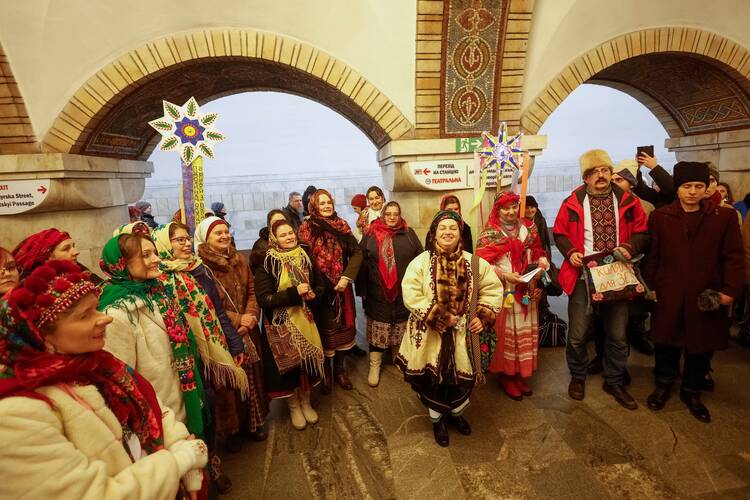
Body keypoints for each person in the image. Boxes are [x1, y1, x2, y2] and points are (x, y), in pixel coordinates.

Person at [0, 260, 208, 499]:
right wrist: (179, 461)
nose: (104, 318)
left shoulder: (101, 366)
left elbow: (154, 410)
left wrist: (181, 448)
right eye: (85, 315)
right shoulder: (15, 413)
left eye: (96, 308)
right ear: (40, 334)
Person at [152, 222, 249, 493]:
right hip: (181, 360)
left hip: (209, 353)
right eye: (177, 240)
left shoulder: (199, 270)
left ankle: (212, 462)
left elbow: (216, 311)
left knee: (210, 410)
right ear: (163, 245)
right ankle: (193, 474)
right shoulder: (157, 280)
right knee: (187, 417)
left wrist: (234, 344)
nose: (185, 244)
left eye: (186, 239)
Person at [643, 162, 744, 423]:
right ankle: (663, 384)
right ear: (677, 189)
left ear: (707, 188)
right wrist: (650, 286)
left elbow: (733, 257)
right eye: (687, 186)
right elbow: (653, 257)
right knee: (666, 342)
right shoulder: (661, 217)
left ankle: (692, 391)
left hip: (706, 293)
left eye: (699, 186)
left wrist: (731, 290)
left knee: (701, 346)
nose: (692, 192)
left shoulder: (724, 217)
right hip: (669, 291)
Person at [395, 210, 502, 447]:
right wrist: (440, 317)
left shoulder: (475, 263)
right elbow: (410, 293)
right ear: (434, 234)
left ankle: (456, 414)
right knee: (433, 381)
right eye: (442, 228)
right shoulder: (421, 262)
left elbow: (492, 290)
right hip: (429, 336)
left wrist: (484, 315)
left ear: (460, 234)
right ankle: (438, 420)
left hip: (464, 336)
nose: (447, 232)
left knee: (459, 380)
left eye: (453, 228)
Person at [553, 149, 648, 410]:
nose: (601, 175)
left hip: (616, 271)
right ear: (585, 177)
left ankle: (614, 380)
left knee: (618, 333)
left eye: (605, 170)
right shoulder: (572, 201)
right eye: (594, 172)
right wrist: (571, 252)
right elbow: (560, 233)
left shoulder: (628, 201)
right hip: (583, 273)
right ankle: (578, 376)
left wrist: (630, 246)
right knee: (578, 333)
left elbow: (642, 231)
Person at [99, 233, 209, 441]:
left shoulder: (157, 293)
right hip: (159, 415)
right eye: (146, 255)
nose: (156, 259)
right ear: (121, 264)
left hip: (181, 398)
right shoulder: (116, 313)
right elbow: (122, 383)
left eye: (155, 253)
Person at [195, 216, 269, 449]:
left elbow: (252, 290)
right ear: (206, 239)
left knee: (253, 376)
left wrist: (250, 317)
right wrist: (238, 320)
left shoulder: (238, 260)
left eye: (226, 231)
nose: (225, 236)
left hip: (248, 329)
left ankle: (254, 423)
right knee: (230, 384)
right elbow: (208, 304)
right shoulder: (201, 268)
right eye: (218, 233)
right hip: (224, 333)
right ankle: (233, 430)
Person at [254, 220, 326, 430]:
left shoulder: (304, 254)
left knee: (307, 365)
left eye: (291, 233)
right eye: (283, 235)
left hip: (307, 320)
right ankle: (294, 405)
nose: (289, 237)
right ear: (274, 238)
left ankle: (306, 401)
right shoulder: (267, 262)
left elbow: (319, 284)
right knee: (290, 368)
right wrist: (294, 293)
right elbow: (263, 298)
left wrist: (314, 294)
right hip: (281, 324)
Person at [476, 192, 548, 400]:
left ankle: (519, 374)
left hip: (526, 288)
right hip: (504, 290)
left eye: (513, 207)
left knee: (524, 332)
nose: (510, 212)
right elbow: (482, 263)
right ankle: (507, 376)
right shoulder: (489, 233)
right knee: (508, 334)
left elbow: (537, 251)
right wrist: (505, 274)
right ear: (497, 210)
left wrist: (542, 264)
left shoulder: (529, 229)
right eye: (505, 208)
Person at [298, 189, 363, 393]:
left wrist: (346, 276)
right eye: (322, 203)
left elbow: (357, 252)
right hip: (321, 290)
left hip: (341, 288)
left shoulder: (342, 225)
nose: (326, 206)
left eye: (329, 203)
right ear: (314, 206)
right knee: (324, 331)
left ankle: (340, 371)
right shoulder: (307, 227)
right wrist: (318, 284)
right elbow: (303, 259)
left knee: (343, 330)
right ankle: (325, 373)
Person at [357, 201, 423, 387]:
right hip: (377, 292)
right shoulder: (371, 233)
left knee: (399, 326)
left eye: (396, 213)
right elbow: (360, 258)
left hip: (403, 292)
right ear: (383, 215)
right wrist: (359, 288)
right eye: (389, 214)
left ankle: (398, 358)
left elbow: (420, 257)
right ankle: (375, 365)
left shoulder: (409, 233)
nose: (392, 217)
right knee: (380, 327)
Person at [12, 228, 102, 284]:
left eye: (73, 246)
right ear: (46, 258)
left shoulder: (81, 270)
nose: (76, 252)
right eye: (66, 249)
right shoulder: (35, 286)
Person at [249, 210, 289, 274]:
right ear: (269, 226)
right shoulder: (260, 245)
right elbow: (256, 271)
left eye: (282, 221)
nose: (279, 224)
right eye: (275, 222)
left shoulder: (292, 240)